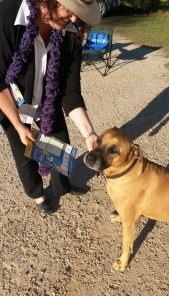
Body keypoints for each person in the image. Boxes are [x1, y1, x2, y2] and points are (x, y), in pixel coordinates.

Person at [0, 0, 101, 215]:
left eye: (78, 13)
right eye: (69, 10)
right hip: (10, 101)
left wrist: (89, 134)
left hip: (47, 100)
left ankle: (62, 187)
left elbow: (70, 92)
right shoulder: (8, 16)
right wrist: (18, 126)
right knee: (24, 152)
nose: (74, 18)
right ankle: (38, 195)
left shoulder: (70, 32)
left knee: (59, 144)